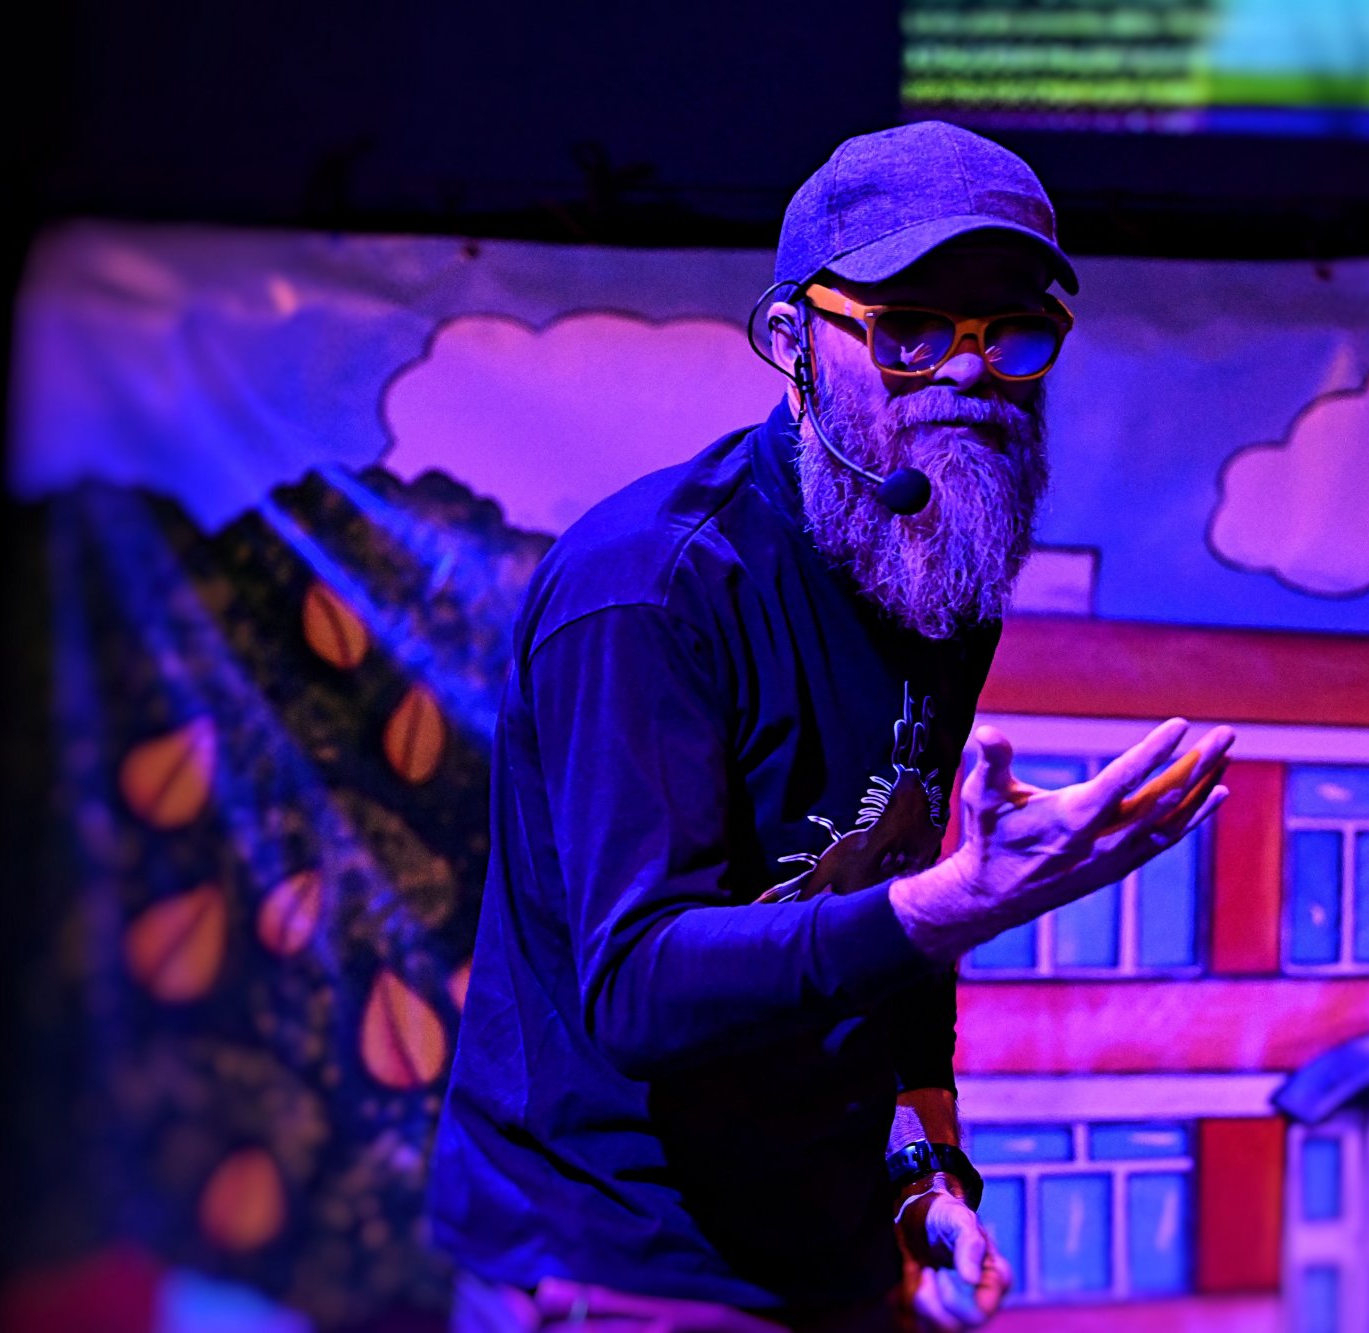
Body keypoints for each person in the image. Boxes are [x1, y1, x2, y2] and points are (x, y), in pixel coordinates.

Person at [428, 120, 1232, 1333]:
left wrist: (924, 1171)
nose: (968, 374)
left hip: (830, 1249)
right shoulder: (649, 589)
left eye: (1009, 332)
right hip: (620, 1264)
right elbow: (639, 988)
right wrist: (958, 901)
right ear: (793, 344)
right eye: (909, 330)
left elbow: (890, 906)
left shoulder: (939, 564)